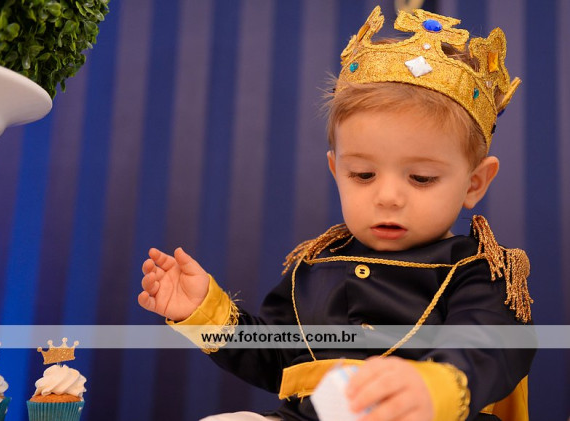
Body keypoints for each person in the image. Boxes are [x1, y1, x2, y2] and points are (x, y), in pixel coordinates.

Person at [138, 6, 534, 421]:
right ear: (336, 170)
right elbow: (275, 360)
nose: (388, 197)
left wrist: (431, 388)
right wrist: (204, 311)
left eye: (421, 178)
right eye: (363, 174)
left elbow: (490, 348)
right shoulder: (316, 268)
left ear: (474, 183)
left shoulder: (479, 273)